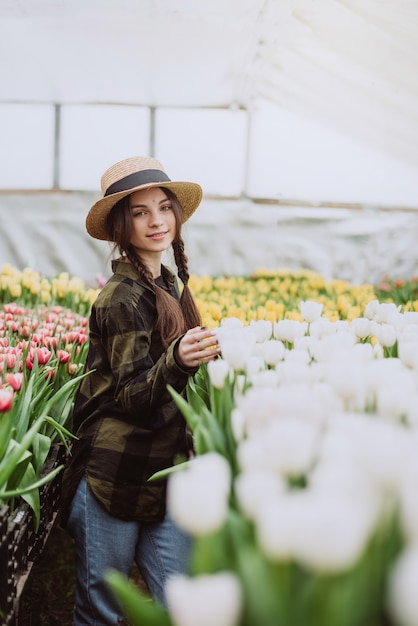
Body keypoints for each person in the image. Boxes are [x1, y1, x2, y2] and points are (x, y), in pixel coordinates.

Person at [60, 156, 219, 626]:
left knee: (181, 608)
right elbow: (130, 395)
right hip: (114, 473)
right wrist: (179, 360)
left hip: (164, 469)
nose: (156, 221)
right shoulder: (120, 298)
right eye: (140, 212)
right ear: (120, 226)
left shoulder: (168, 284)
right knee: (100, 614)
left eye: (164, 208)